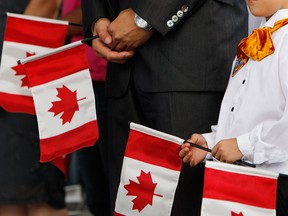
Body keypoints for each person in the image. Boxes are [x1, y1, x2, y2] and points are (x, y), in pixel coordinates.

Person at [81, 0, 248, 215]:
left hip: (189, 60)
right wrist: (97, 20)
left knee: (185, 201)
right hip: (121, 65)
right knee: (129, 204)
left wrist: (144, 19)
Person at [179, 1, 288, 215]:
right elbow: (245, 112)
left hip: (275, 184)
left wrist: (243, 146)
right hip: (241, 179)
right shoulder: (258, 39)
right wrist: (212, 142)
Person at [0, 1, 68, 216]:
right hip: (12, 65)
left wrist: (6, 70)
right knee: (6, 192)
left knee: (38, 193)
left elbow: (45, 3)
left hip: (22, 67)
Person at [59, 1, 110, 215]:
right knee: (93, 179)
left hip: (106, 77)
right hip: (79, 76)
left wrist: (51, 25)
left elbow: (88, 12)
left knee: (109, 178)